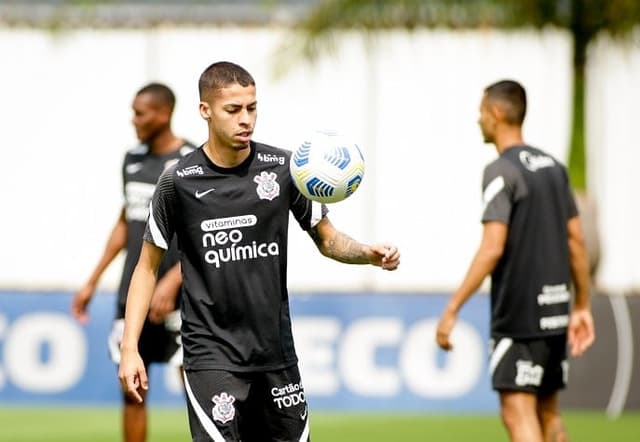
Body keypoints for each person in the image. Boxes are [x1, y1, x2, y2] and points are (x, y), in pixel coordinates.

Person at [117, 61, 401, 442]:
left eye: (251, 107)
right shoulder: (177, 182)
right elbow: (146, 268)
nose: (245, 119)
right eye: (233, 110)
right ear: (206, 111)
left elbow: (329, 239)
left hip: (275, 356)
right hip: (210, 356)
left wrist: (367, 252)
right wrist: (130, 348)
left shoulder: (286, 169)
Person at [435, 80, 595, 442]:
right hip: (555, 313)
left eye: (480, 113)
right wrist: (582, 304)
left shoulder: (500, 171)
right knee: (548, 413)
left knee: (517, 414)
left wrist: (452, 308)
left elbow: (492, 247)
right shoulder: (554, 167)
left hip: (519, 317)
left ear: (495, 113)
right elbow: (577, 239)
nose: (478, 121)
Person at [71, 83, 196, 442]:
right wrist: (93, 280)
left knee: (198, 388)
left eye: (140, 113)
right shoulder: (133, 158)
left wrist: (172, 282)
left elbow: (201, 235)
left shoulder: (190, 162)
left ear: (164, 113)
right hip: (133, 295)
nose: (134, 120)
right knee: (133, 390)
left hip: (182, 297)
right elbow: (127, 221)